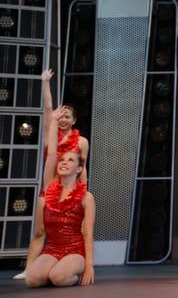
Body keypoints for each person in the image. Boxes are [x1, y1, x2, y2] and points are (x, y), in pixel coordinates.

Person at [14, 69, 89, 280]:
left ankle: (73, 265)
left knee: (72, 232)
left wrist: (84, 193)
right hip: (49, 189)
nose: (63, 120)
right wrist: (45, 83)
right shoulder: (51, 135)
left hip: (71, 192)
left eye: (68, 117)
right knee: (40, 231)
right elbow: (48, 107)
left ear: (74, 120)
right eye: (61, 116)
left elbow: (83, 168)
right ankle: (30, 268)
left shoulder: (81, 142)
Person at [25, 106, 95, 287]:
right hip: (52, 248)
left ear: (79, 168)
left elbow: (88, 233)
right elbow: (51, 154)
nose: (64, 163)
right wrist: (53, 121)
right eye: (62, 160)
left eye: (70, 160)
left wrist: (89, 266)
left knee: (58, 278)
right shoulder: (49, 188)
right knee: (32, 280)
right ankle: (53, 268)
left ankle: (69, 271)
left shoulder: (86, 198)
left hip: (74, 250)